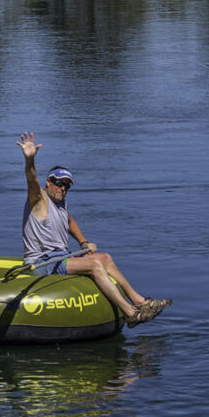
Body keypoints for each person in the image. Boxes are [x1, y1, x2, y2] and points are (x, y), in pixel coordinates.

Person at [17, 131, 170, 327]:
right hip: (43, 261)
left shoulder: (61, 204)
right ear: (48, 182)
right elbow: (31, 179)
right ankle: (130, 313)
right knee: (95, 265)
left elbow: (69, 221)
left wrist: (83, 242)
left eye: (66, 186)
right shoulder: (39, 199)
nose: (62, 188)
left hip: (60, 257)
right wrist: (29, 159)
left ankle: (140, 301)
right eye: (59, 183)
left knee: (105, 258)